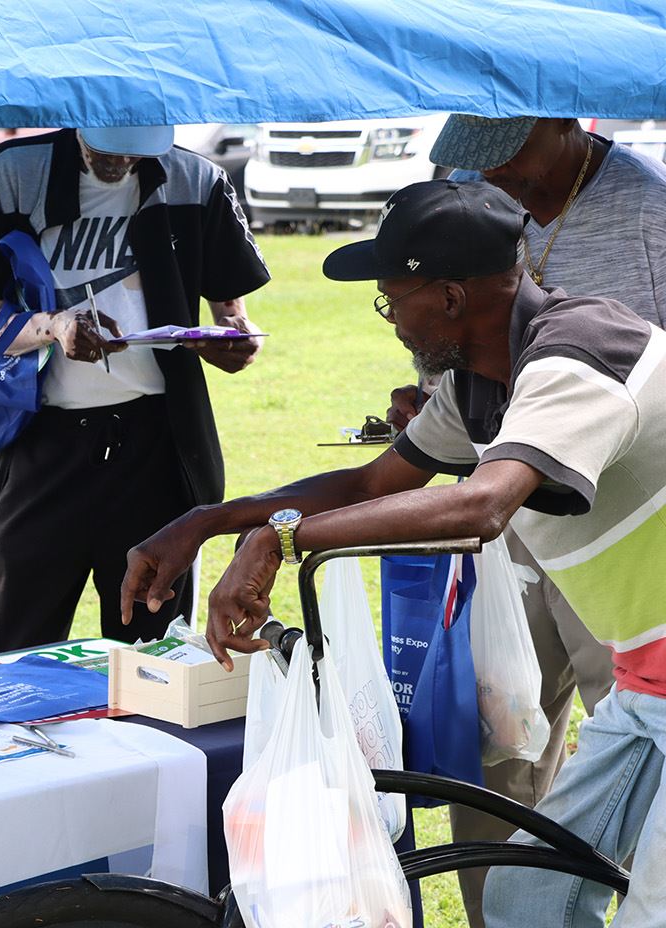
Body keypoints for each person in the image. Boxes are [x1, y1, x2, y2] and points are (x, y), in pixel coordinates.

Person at [122, 178, 666, 928]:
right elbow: (369, 482)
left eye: (390, 300)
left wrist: (282, 538)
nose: (391, 321)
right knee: (527, 895)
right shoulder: (481, 383)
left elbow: (482, 505)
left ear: (450, 297)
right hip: (647, 684)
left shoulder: (580, 354)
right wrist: (211, 520)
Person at [379, 115, 666, 926]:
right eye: (479, 167)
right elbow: (394, 469)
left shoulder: (645, 212)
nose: (496, 178)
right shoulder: (475, 216)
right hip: (561, 559)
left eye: (507, 156)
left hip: (611, 513)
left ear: (561, 120)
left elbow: (486, 493)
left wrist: (287, 536)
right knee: (517, 838)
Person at [0, 125, 270, 653]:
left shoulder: (196, 178)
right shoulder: (15, 172)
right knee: (19, 649)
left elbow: (234, 317)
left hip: (156, 445)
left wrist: (235, 341)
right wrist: (55, 327)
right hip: (44, 443)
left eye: (137, 152)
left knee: (152, 652)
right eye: (107, 148)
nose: (121, 162)